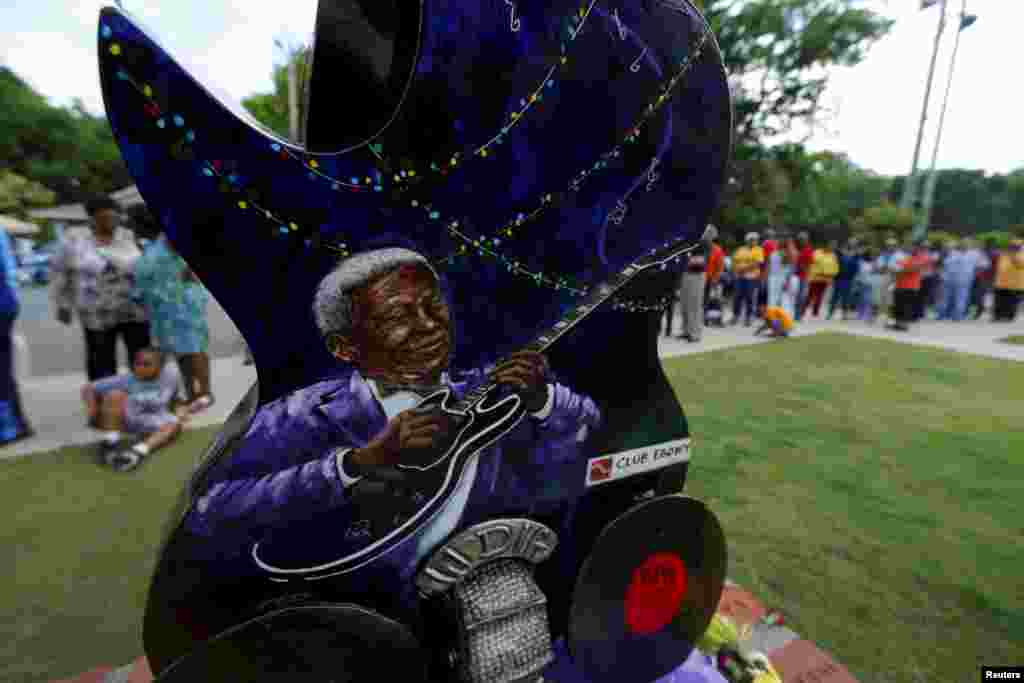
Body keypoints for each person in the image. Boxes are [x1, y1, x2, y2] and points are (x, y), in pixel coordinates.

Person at [184, 248, 602, 568]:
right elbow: (209, 510)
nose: (429, 324)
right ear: (343, 347)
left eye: (433, 305)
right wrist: (356, 463)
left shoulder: (491, 388)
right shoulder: (304, 413)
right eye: (398, 315)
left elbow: (588, 432)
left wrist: (542, 400)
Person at [51, 196, 150, 381]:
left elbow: (147, 266)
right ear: (92, 219)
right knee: (100, 359)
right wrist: (63, 305)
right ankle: (103, 400)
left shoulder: (130, 236)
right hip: (95, 312)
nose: (110, 222)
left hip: (135, 309)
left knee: (141, 355)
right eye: (103, 218)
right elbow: (60, 273)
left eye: (114, 218)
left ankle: (144, 395)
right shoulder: (74, 241)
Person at [134, 218, 214, 413]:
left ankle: (204, 394)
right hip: (166, 310)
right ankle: (192, 394)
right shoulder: (152, 251)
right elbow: (143, 282)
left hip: (186, 307)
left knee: (195, 349)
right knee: (182, 354)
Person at [81, 347, 182, 471]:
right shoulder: (127, 379)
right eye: (137, 363)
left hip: (152, 418)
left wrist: (175, 409)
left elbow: (173, 395)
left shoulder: (170, 376)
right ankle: (109, 443)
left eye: (146, 364)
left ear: (160, 366)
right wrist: (93, 411)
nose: (140, 367)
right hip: (126, 418)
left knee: (175, 425)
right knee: (114, 396)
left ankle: (138, 451)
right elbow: (88, 388)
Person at [0, 227, 32, 446]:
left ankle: (10, 428)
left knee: (1, 369)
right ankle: (15, 425)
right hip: (5, 303)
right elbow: (9, 268)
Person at [937, 239, 989, 322]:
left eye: (966, 244)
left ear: (969, 245)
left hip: (964, 280)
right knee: (945, 298)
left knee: (961, 299)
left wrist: (975, 272)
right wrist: (942, 275)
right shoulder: (952, 252)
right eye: (962, 244)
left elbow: (985, 264)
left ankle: (957, 316)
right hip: (948, 279)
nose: (964, 245)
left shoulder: (975, 254)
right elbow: (942, 264)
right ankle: (941, 315)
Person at [887, 241, 931, 332]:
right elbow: (893, 268)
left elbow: (912, 269)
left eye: (913, 247)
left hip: (911, 286)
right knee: (898, 305)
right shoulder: (905, 258)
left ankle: (904, 324)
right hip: (900, 285)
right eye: (909, 247)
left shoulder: (920, 258)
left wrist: (900, 270)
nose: (910, 249)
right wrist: (899, 270)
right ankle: (898, 323)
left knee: (907, 306)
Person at [730, 232, 763, 326]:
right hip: (739, 276)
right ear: (747, 240)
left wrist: (743, 269)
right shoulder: (741, 249)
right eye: (751, 240)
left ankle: (748, 317)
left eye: (755, 240)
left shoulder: (758, 250)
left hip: (751, 277)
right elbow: (734, 259)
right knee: (737, 296)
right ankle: (735, 316)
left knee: (749, 297)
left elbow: (757, 263)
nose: (753, 241)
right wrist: (736, 269)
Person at [677, 239, 707, 342]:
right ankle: (686, 331)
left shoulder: (700, 240)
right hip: (686, 273)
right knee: (684, 304)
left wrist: (684, 260)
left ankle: (695, 334)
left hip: (696, 274)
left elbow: (699, 262)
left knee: (694, 305)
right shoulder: (684, 239)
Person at [802, 240, 838, 319]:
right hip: (815, 277)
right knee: (810, 295)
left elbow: (835, 267)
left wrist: (832, 276)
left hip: (825, 279)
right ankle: (802, 311)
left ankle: (815, 312)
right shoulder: (817, 252)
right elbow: (811, 262)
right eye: (831, 246)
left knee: (820, 296)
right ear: (827, 245)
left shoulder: (833, 255)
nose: (832, 247)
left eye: (834, 246)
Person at [827, 240, 860, 320]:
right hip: (839, 277)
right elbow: (835, 262)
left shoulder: (856, 255)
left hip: (849, 279)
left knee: (846, 297)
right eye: (850, 244)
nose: (851, 245)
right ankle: (830, 313)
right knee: (835, 296)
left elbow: (856, 267)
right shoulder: (840, 253)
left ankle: (844, 314)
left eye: (853, 244)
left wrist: (855, 277)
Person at [993, 239, 1024, 322]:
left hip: (1015, 284)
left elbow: (1020, 263)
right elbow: (999, 266)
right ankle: (997, 316)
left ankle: (1009, 316)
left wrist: (1013, 256)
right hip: (1001, 283)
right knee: (999, 301)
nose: (1013, 248)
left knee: (1012, 302)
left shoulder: (1021, 255)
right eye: (1012, 246)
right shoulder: (1004, 254)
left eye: (1015, 246)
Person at [876, 237, 905, 326]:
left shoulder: (900, 255)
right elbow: (879, 267)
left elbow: (902, 267)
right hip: (884, 277)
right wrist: (882, 268)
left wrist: (893, 269)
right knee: (882, 297)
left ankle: (891, 317)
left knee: (892, 299)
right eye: (888, 245)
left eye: (892, 245)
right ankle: (882, 316)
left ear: (896, 246)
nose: (890, 247)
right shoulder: (883, 255)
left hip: (895, 278)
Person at [970, 239, 1000, 319]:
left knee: (982, 295)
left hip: (985, 277)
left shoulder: (987, 253)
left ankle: (980, 312)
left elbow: (983, 265)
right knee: (988, 295)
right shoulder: (996, 253)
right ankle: (988, 313)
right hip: (990, 277)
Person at [764, 231, 791, 310]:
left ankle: (783, 318)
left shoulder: (786, 253)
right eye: (778, 239)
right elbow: (769, 265)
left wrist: (787, 281)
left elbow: (788, 268)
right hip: (772, 277)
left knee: (782, 299)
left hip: (782, 278)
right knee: (771, 299)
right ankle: (771, 318)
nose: (778, 241)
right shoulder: (773, 252)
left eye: (781, 240)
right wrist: (766, 277)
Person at [855, 247, 882, 324]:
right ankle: (860, 314)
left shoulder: (875, 263)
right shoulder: (862, 262)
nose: (872, 256)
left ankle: (866, 315)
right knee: (861, 299)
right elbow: (859, 272)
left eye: (873, 255)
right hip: (862, 282)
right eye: (871, 254)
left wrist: (875, 268)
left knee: (868, 299)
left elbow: (877, 272)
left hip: (870, 283)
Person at [793, 232, 814, 321]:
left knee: (802, 296)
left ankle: (798, 315)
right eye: (801, 239)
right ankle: (793, 314)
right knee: (794, 296)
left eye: (804, 239)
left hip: (803, 276)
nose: (802, 241)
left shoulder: (808, 249)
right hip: (794, 275)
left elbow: (809, 264)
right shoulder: (795, 248)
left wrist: (807, 275)